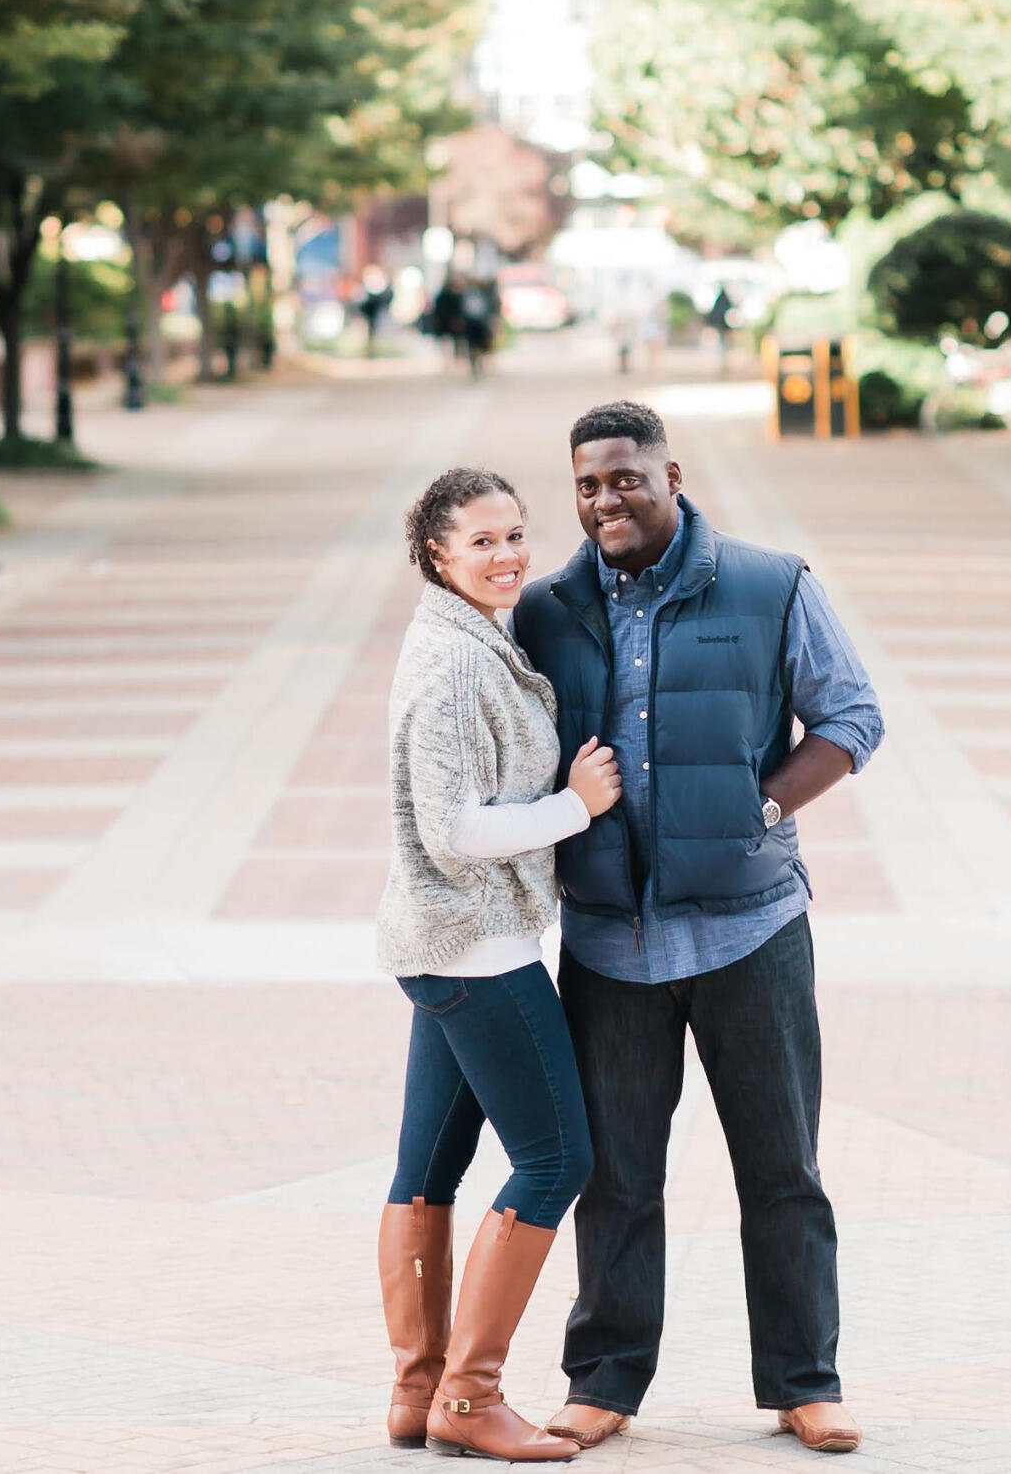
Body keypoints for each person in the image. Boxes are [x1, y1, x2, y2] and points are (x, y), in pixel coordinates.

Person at [511, 402, 884, 1457]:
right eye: (586, 485)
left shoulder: (771, 587)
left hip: (750, 932)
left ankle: (806, 1381)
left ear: (671, 475)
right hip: (606, 945)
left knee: (782, 1169)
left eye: (624, 479)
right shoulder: (545, 610)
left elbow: (852, 717)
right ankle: (605, 1382)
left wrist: (758, 809)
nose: (604, 501)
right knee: (616, 1176)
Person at [375, 467, 624, 1462]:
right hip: (475, 946)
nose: (508, 554)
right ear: (438, 552)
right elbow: (452, 829)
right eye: (482, 540)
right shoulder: (454, 661)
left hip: (439, 946)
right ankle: (471, 1401)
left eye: (516, 533)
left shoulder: (466, 634)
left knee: (425, 1170)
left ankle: (417, 1390)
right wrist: (578, 807)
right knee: (557, 1159)